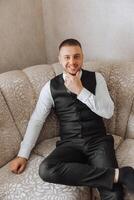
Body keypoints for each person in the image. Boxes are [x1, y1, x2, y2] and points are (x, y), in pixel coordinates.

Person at [10, 39, 134, 200]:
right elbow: (37, 120)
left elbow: (108, 112)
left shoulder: (97, 78)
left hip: (98, 142)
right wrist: (23, 154)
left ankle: (113, 178)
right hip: (70, 144)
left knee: (114, 194)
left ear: (82, 57)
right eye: (67, 57)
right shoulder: (50, 87)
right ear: (60, 59)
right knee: (46, 169)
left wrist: (81, 91)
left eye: (76, 57)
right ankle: (120, 174)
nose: (72, 62)